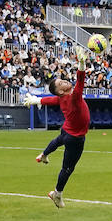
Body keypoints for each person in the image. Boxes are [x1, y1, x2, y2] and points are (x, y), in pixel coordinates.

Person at [27, 49, 91, 208]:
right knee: (67, 168)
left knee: (58, 141)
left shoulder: (62, 98)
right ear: (61, 90)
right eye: (61, 83)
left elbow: (51, 100)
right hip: (75, 137)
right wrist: (81, 64)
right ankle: (57, 193)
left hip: (67, 131)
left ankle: (44, 154)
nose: (64, 81)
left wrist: (36, 100)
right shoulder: (73, 97)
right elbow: (81, 80)